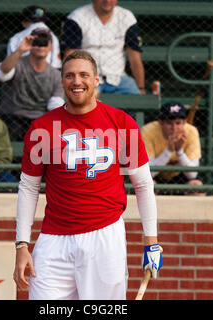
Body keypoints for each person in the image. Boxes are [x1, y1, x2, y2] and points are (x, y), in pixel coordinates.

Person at [13, 50, 163, 300]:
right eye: (69, 75)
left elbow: (144, 185)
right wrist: (21, 245)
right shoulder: (41, 128)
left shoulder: (121, 123)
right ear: (62, 81)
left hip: (104, 236)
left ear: (96, 80)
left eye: (84, 75)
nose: (76, 81)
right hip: (53, 239)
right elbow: (28, 188)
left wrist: (151, 242)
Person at [61, 0, 145, 94]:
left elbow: (135, 58)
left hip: (119, 78)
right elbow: (69, 56)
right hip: (87, 77)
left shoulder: (126, 17)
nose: (107, 1)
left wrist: (141, 88)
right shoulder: (77, 17)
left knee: (136, 98)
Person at [0, 28, 64, 141]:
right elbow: (2, 74)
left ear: (51, 46)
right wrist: (20, 50)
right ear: (30, 43)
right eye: (37, 42)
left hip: (39, 120)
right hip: (12, 116)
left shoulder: (56, 75)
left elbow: (55, 105)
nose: (41, 46)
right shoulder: (16, 63)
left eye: (44, 42)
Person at [140, 101, 204, 195]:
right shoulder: (148, 131)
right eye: (169, 123)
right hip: (157, 177)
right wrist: (169, 151)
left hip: (180, 177)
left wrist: (179, 151)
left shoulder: (191, 131)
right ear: (160, 122)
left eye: (178, 123)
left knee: (196, 185)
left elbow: (192, 174)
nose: (174, 128)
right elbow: (149, 174)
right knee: (147, 186)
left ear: (185, 122)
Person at [6, 5, 62, 69]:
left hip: (21, 75)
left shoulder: (15, 38)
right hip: (48, 76)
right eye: (35, 21)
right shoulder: (54, 37)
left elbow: (9, 67)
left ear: (23, 23)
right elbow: (56, 65)